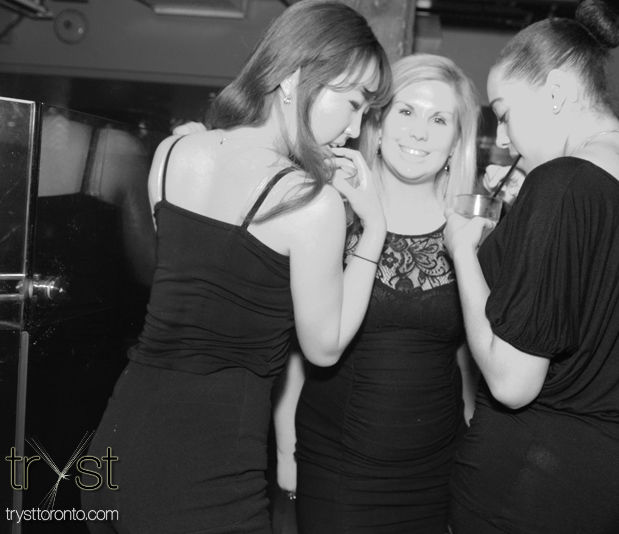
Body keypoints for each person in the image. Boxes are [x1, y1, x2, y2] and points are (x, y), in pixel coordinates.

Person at [82, 1, 392, 532]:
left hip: (113, 445)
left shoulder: (173, 153)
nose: (356, 125)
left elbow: (194, 284)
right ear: (294, 78)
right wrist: (375, 229)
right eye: (353, 102)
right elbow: (325, 346)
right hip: (205, 470)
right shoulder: (307, 202)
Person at [442, 1, 619, 532]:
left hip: (531, 478)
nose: (503, 138)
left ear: (555, 92)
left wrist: (464, 252)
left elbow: (512, 383)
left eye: (504, 113)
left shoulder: (562, 183)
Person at [274, 53, 480, 534]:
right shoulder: (330, 208)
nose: (419, 132)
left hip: (438, 471)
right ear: (379, 124)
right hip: (337, 467)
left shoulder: (473, 231)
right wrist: (285, 448)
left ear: (456, 141)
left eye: (439, 120)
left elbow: (471, 358)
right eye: (406, 111)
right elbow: (294, 345)